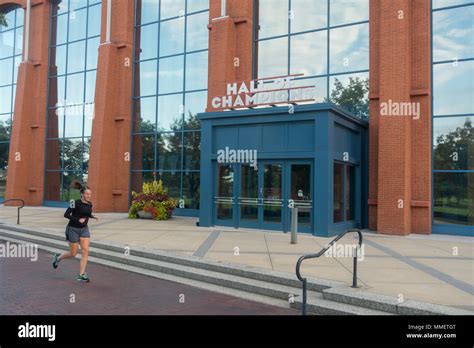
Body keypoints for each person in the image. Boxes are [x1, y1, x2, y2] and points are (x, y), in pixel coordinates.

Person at [51, 180, 99, 282]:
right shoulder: (74, 202)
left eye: (90, 194)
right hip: (72, 229)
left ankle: (81, 275)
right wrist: (78, 220)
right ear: (82, 194)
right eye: (87, 194)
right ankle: (58, 258)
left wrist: (93, 216)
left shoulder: (90, 204)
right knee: (73, 253)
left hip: (84, 230)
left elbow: (87, 213)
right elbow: (66, 214)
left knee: (85, 251)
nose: (88, 196)